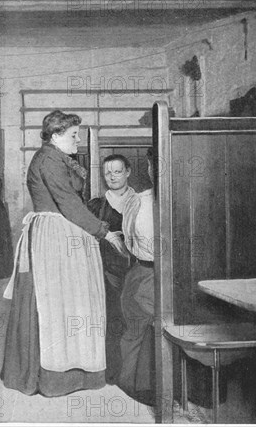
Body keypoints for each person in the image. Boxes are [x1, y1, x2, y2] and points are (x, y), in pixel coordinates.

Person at [1, 110, 127, 397]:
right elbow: (68, 203)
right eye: (73, 135)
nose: (78, 139)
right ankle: (56, 376)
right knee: (57, 304)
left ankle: (76, 371)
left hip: (63, 231)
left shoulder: (56, 158)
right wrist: (104, 232)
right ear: (56, 135)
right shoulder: (48, 160)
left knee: (71, 303)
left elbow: (72, 203)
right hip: (55, 235)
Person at [87, 154, 135, 384]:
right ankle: (112, 372)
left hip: (136, 270)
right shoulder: (96, 205)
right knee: (110, 321)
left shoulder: (142, 202)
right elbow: (84, 237)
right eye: (108, 173)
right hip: (105, 272)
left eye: (117, 171)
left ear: (128, 172)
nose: (112, 177)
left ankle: (133, 374)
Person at [118, 148, 156, 406]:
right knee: (137, 326)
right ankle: (135, 383)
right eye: (153, 165)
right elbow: (129, 242)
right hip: (144, 274)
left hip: (161, 275)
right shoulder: (138, 201)